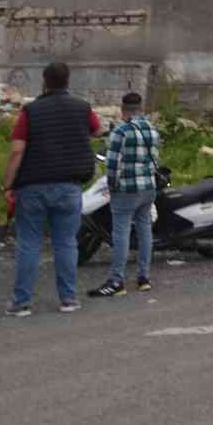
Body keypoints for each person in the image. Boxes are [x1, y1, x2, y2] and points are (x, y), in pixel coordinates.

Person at [3, 62, 101, 316]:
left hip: (32, 188)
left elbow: (16, 151)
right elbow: (98, 129)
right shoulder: (82, 108)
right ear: (68, 81)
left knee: (29, 244)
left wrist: (8, 185)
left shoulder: (30, 111)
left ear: (44, 81)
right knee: (66, 243)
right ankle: (68, 299)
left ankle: (22, 303)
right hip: (69, 187)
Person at [89, 92, 162, 299]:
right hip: (148, 188)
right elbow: (155, 158)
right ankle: (144, 278)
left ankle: (117, 280)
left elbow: (112, 164)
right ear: (141, 109)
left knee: (120, 233)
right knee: (145, 230)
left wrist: (111, 186)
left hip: (126, 190)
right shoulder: (152, 130)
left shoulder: (120, 131)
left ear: (122, 110)